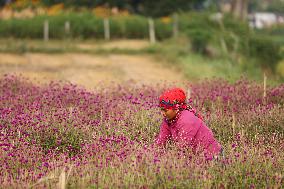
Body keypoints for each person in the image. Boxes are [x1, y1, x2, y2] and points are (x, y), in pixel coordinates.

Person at [155, 88, 222, 160]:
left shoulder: (187, 120)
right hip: (195, 157)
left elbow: (182, 147)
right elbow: (161, 141)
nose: (162, 113)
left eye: (165, 110)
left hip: (213, 155)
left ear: (176, 108)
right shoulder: (168, 119)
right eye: (161, 110)